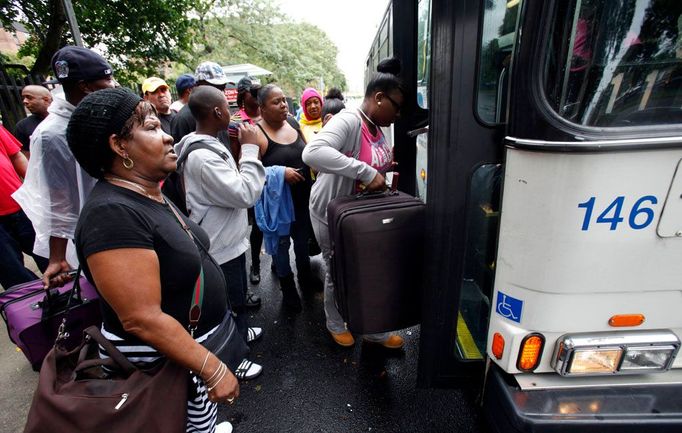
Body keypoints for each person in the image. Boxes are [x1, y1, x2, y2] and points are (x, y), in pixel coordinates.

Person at [68, 88, 236, 433]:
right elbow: (141, 319)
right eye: (151, 128)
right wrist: (211, 368)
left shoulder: (146, 190)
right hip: (159, 365)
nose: (168, 135)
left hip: (184, 357)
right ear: (119, 146)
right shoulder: (111, 214)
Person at [302, 57, 405, 349]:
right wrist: (366, 170)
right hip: (330, 212)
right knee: (337, 271)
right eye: (396, 106)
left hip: (360, 217)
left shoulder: (377, 125)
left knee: (368, 271)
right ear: (379, 98)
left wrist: (382, 168)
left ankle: (372, 328)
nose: (399, 114)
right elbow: (312, 153)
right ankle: (335, 322)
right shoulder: (350, 120)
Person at [176, 86, 266, 380]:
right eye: (227, 108)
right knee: (226, 304)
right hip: (219, 245)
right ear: (217, 112)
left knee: (237, 297)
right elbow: (243, 193)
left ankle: (239, 334)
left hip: (230, 241)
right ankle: (232, 357)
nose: (231, 113)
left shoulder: (210, 143)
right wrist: (251, 148)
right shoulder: (202, 156)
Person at [12, 45, 116, 289]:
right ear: (85, 86)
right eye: (107, 79)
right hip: (95, 234)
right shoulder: (53, 135)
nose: (113, 85)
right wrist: (57, 257)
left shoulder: (97, 114)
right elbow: (57, 199)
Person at [256, 84, 321, 311]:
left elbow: (310, 152)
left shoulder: (293, 122)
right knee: (281, 249)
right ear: (262, 108)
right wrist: (280, 173)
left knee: (302, 245)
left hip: (303, 200)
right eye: (276, 102)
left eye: (284, 100)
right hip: (278, 206)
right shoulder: (256, 133)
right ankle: (288, 289)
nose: (283, 105)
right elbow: (248, 173)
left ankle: (305, 279)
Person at [0, 125, 48, 289]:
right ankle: (40, 307)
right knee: (13, 274)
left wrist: (35, 187)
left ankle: (76, 298)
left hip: (22, 206)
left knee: (51, 257)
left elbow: (15, 156)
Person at [228, 76, 265, 289]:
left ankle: (279, 262)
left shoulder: (268, 114)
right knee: (257, 226)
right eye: (254, 93)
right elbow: (235, 154)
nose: (258, 97)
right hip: (250, 175)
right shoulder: (235, 121)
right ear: (244, 96)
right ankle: (256, 264)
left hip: (272, 176)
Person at [171, 61, 229, 144]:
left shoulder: (220, 112)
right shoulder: (183, 118)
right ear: (199, 85)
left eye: (223, 88)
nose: (221, 93)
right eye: (216, 87)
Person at [14, 85, 52, 158]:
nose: (25, 101)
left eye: (29, 97)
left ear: (46, 100)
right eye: (24, 98)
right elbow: (26, 158)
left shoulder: (64, 118)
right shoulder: (22, 126)